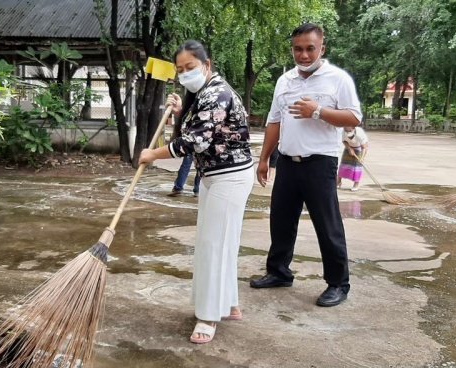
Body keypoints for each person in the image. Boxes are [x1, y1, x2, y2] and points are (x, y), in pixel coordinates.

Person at [139, 40, 253, 344]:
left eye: (190, 67)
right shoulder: (203, 93)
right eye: (180, 70)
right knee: (219, 241)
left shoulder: (217, 94)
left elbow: (194, 142)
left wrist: (152, 154)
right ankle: (229, 304)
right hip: (214, 177)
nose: (185, 74)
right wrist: (180, 112)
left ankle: (209, 315)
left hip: (229, 176)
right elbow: (192, 133)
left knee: (214, 244)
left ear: (207, 65)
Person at [250, 23, 362, 308]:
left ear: (322, 48)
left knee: (327, 225)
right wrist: (264, 158)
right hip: (287, 162)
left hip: (320, 163)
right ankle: (279, 272)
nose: (303, 55)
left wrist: (318, 111)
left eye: (310, 48)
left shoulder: (338, 79)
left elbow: (353, 118)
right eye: (298, 49)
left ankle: (338, 284)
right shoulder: (284, 81)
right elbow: (274, 121)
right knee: (281, 221)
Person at [168, 116, 202, 197]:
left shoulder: (192, 113)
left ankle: (179, 188)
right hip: (197, 141)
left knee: (188, 166)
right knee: (199, 167)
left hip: (192, 141)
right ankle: (197, 189)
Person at [337, 126, 369, 191]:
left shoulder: (359, 133)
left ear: (353, 128)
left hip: (359, 148)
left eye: (349, 131)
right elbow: (344, 141)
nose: (347, 132)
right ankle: (338, 182)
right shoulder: (343, 131)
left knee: (357, 167)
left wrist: (362, 158)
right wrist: (349, 148)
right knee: (343, 165)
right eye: (346, 131)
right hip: (349, 147)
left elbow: (364, 147)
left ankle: (356, 184)